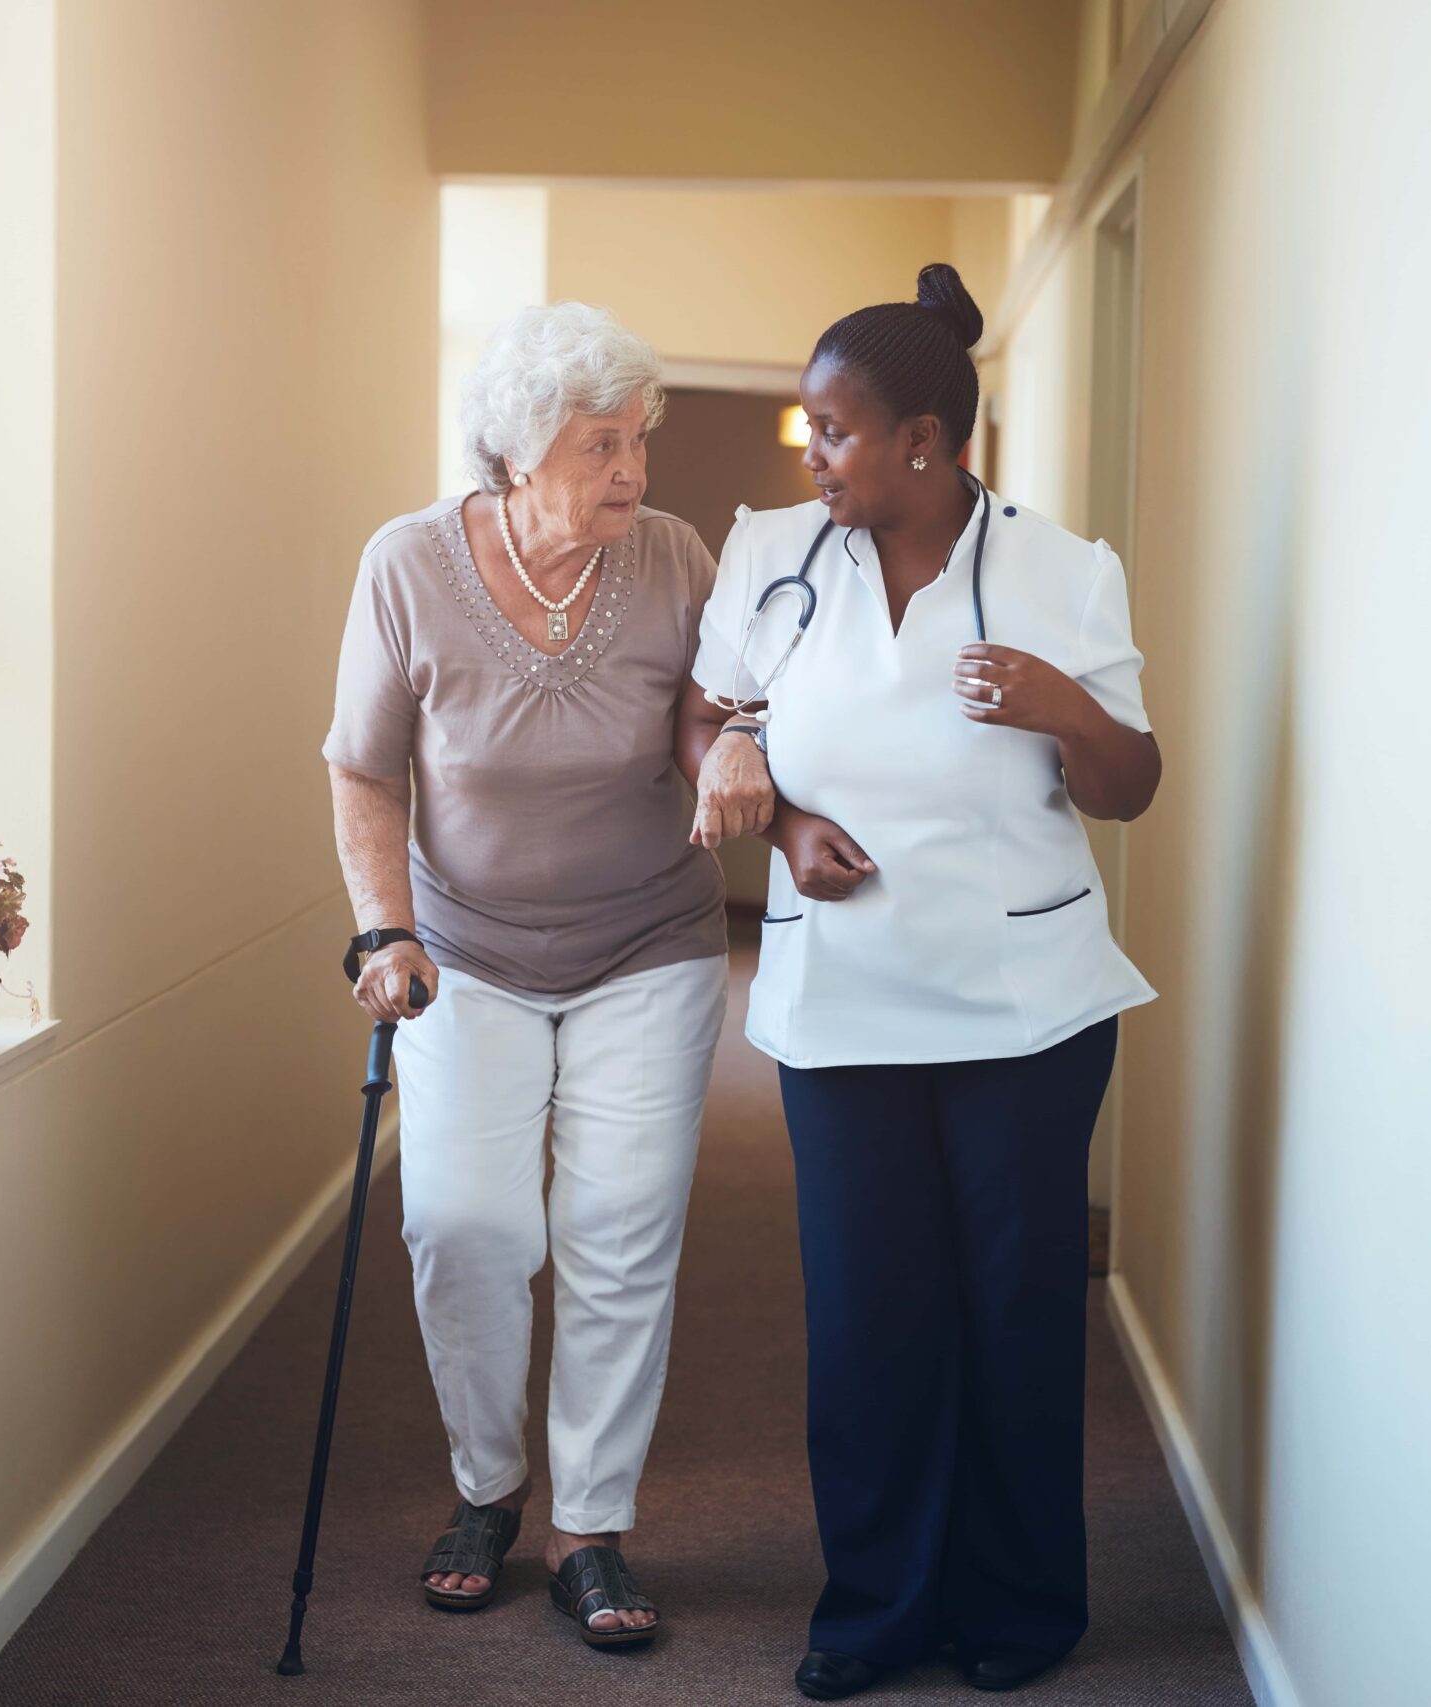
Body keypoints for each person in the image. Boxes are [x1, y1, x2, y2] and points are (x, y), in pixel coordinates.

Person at [680, 264, 1162, 1697]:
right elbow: (710, 714)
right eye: (810, 430)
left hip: (1027, 1005)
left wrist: (1064, 705)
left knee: (1015, 1310)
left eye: (833, 431)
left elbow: (1130, 784)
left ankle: (1018, 1609)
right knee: (872, 1321)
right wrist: (762, 790)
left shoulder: (1062, 568)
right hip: (842, 1003)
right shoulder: (771, 549)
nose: (813, 455)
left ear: (926, 443)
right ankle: (877, 1609)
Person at [324, 301, 727, 1649]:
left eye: (639, 440)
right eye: (602, 444)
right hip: (467, 951)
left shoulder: (674, 559)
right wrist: (386, 928)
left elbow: (711, 708)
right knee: (464, 1220)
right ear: (514, 450)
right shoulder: (408, 565)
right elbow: (366, 768)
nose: (636, 472)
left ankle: (590, 1527)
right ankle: (487, 1488)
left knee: (621, 1233)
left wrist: (730, 746)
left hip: (648, 943)